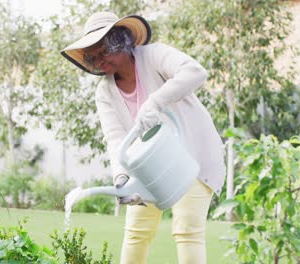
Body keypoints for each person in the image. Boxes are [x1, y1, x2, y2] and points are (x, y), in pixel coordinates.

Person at [61, 11, 226, 264]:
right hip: (148, 167)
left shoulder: (154, 56)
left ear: (122, 43)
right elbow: (114, 138)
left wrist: (155, 102)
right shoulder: (104, 91)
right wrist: (121, 178)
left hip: (193, 157)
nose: (101, 62)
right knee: (136, 233)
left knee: (187, 232)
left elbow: (195, 72)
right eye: (94, 58)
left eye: (104, 53)